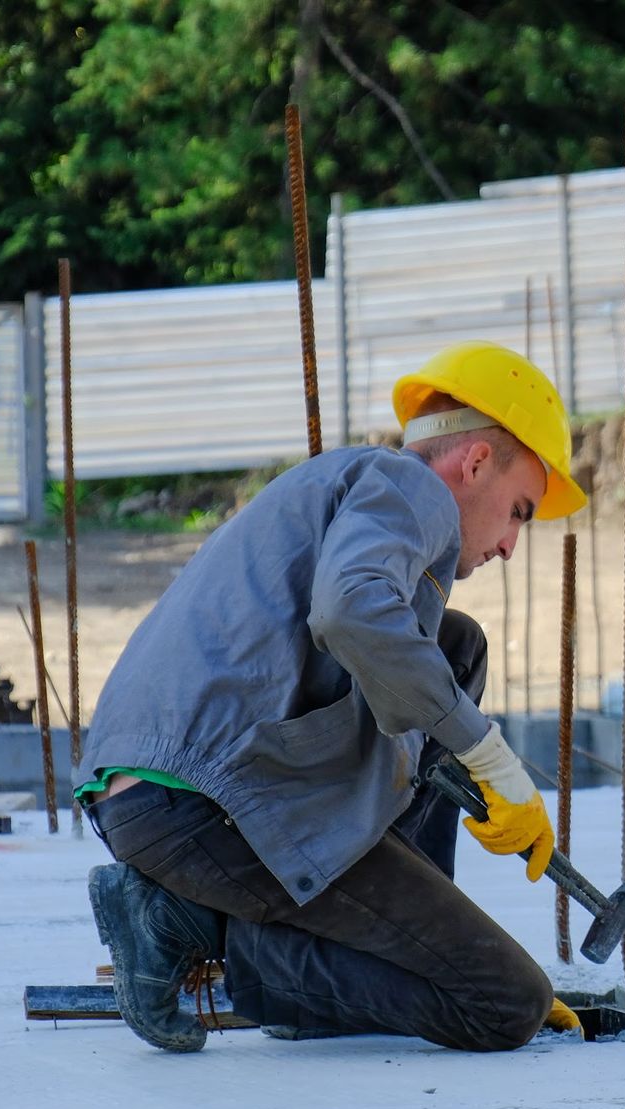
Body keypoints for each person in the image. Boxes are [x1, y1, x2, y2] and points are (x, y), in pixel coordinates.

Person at [80, 340, 588, 1053]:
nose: (509, 544)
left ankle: (359, 944)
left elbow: (369, 630)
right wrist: (490, 757)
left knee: (452, 645)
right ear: (475, 463)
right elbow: (350, 610)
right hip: (206, 807)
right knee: (502, 1004)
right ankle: (188, 927)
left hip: (166, 796)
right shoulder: (410, 488)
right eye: (519, 511)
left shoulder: (347, 484)